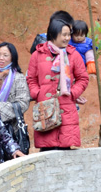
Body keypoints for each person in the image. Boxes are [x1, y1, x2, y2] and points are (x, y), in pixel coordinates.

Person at [27, 18, 89, 151]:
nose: (67, 38)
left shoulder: (73, 55)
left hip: (66, 107)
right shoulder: (37, 55)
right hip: (45, 107)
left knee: (65, 150)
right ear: (54, 34)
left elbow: (83, 78)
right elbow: (31, 79)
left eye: (68, 35)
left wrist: (73, 93)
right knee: (46, 151)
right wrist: (37, 93)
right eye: (64, 35)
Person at [69, 20, 96, 106]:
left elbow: (90, 57)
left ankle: (75, 98)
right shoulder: (68, 41)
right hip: (68, 67)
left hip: (80, 69)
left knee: (76, 83)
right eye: (76, 35)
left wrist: (91, 70)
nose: (79, 38)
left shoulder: (88, 44)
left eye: (82, 35)